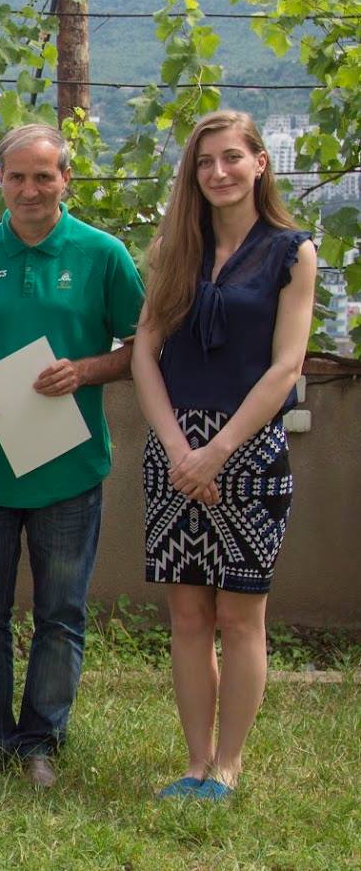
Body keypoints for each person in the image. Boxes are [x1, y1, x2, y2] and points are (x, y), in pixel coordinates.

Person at [0, 122, 144, 788]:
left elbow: (142, 347)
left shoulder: (103, 254)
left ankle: (41, 741)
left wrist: (85, 370)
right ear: (0, 181)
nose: (30, 189)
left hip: (70, 468)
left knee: (61, 616)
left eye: (43, 176)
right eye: (17, 177)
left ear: (66, 180)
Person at [131, 111, 316, 801]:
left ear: (260, 163)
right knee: (187, 618)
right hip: (173, 452)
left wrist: (217, 451)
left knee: (241, 618)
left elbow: (285, 366)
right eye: (205, 161)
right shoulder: (173, 249)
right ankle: (195, 761)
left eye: (232, 157)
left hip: (250, 450)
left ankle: (229, 766)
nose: (218, 172)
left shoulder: (292, 252)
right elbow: (144, 352)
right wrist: (180, 449)